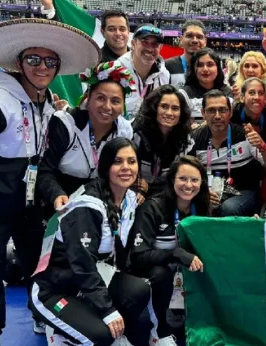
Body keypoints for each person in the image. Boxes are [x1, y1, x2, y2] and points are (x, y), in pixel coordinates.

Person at [0, 18, 100, 345]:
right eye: (34, 59)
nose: (42, 67)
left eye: (50, 61)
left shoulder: (44, 101)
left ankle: (41, 317)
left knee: (39, 264)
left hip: (30, 204)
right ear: (19, 62)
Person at [30, 138, 149, 346]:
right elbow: (82, 264)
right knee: (100, 335)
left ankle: (100, 329)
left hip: (86, 280)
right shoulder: (88, 205)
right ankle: (60, 332)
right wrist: (107, 310)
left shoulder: (129, 199)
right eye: (117, 161)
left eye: (131, 161)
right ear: (105, 166)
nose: (126, 168)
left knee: (138, 291)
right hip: (54, 289)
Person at [129, 156, 208, 346]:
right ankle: (160, 332)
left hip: (185, 273)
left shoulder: (203, 208)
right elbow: (138, 257)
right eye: (183, 179)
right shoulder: (152, 208)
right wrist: (175, 254)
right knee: (160, 272)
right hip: (156, 272)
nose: (188, 185)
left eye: (194, 180)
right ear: (172, 180)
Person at [37, 61, 136, 212]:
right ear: (88, 99)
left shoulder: (124, 130)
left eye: (115, 101)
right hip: (59, 200)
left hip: (99, 201)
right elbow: (45, 170)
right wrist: (56, 194)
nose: (107, 107)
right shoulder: (65, 123)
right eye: (101, 98)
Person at [190, 89, 266, 216]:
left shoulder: (245, 135)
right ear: (203, 113)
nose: (218, 116)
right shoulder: (193, 139)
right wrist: (203, 192)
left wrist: (262, 146)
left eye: (223, 110)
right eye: (211, 110)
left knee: (228, 208)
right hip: (209, 192)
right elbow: (183, 173)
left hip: (243, 192)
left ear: (230, 112)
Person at [38, 0, 130, 63]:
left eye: (122, 29)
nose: (118, 33)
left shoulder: (139, 59)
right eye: (111, 29)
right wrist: (49, 10)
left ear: (128, 31)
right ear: (102, 32)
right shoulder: (92, 62)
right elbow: (61, 47)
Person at [132, 85, 193, 198]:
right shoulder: (136, 135)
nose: (169, 113)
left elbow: (182, 181)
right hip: (136, 194)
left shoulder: (186, 141)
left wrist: (150, 189)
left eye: (175, 108)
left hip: (167, 195)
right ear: (154, 108)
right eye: (164, 107)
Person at [117, 24, 171, 120]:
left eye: (155, 44)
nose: (150, 49)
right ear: (133, 44)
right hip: (120, 132)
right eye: (144, 42)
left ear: (161, 47)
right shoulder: (115, 70)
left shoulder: (164, 75)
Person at [180, 48, 232, 123]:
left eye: (210, 65)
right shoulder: (184, 94)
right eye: (200, 65)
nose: (205, 69)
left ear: (217, 68)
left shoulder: (227, 92)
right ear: (193, 69)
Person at [231, 77, 266, 147]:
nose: (257, 97)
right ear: (242, 98)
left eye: (261, 93)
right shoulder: (233, 115)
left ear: (265, 99)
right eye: (251, 93)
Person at [167, 20, 207, 89]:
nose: (194, 40)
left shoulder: (211, 68)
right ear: (181, 39)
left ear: (205, 41)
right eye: (189, 36)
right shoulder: (167, 66)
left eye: (199, 37)